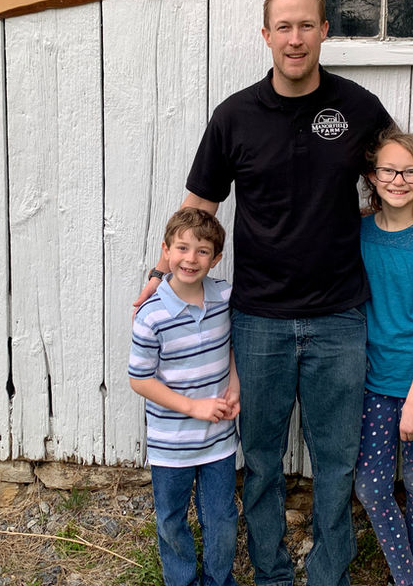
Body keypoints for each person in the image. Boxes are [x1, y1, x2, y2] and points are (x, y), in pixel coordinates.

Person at [134, 0, 413, 586]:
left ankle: (329, 574)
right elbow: (200, 202)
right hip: (258, 320)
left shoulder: (356, 108)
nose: (296, 37)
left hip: (340, 318)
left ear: (325, 31)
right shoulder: (234, 117)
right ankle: (273, 572)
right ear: (266, 35)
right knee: (259, 462)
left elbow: (408, 168)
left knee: (336, 462)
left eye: (307, 24)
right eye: (283, 26)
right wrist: (162, 269)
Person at [129, 207, 241, 586]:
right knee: (171, 519)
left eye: (202, 251)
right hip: (171, 444)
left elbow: (233, 346)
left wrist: (236, 385)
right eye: (182, 248)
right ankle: (181, 580)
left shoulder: (225, 297)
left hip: (218, 441)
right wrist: (193, 406)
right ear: (166, 251)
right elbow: (140, 380)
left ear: (217, 258)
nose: (191, 259)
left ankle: (218, 580)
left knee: (222, 518)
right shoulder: (151, 315)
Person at [354, 131, 413, 586]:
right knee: (371, 486)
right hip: (371, 381)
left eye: (410, 171)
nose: (398, 179)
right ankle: (408, 576)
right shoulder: (359, 231)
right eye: (389, 170)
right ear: (372, 176)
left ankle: (403, 577)